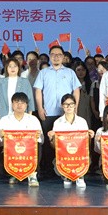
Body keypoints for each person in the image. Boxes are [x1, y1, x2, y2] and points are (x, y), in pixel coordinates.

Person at [34, 45, 81, 174]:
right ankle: (48, 169)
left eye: (59, 55)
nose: (56, 57)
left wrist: (75, 108)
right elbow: (38, 91)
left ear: (63, 57)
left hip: (66, 113)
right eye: (53, 54)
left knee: (66, 141)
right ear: (49, 56)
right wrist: (40, 108)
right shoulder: (43, 72)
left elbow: (76, 91)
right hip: (48, 112)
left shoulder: (70, 72)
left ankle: (65, 167)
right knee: (48, 142)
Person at [0, 91, 42, 187]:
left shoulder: (33, 119)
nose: (19, 105)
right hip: (11, 152)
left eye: (22, 102)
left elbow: (42, 140)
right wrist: (0, 136)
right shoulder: (4, 120)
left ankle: (32, 174)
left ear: (26, 105)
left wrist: (38, 136)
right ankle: (13, 174)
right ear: (12, 104)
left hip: (28, 152)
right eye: (16, 102)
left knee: (38, 146)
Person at [47, 93, 93, 188]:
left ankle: (80, 176)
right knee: (58, 164)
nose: (68, 107)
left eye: (71, 104)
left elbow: (86, 145)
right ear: (62, 106)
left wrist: (90, 137)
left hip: (79, 155)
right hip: (64, 156)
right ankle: (66, 176)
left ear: (75, 105)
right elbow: (54, 146)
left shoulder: (82, 121)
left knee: (86, 159)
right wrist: (51, 138)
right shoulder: (58, 122)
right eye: (66, 104)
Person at [0, 57, 33, 123]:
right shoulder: (1, 82)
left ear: (18, 68)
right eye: (10, 66)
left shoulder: (25, 82)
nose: (12, 68)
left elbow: (30, 100)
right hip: (4, 116)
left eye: (15, 66)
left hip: (22, 117)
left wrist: (29, 117)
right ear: (6, 68)